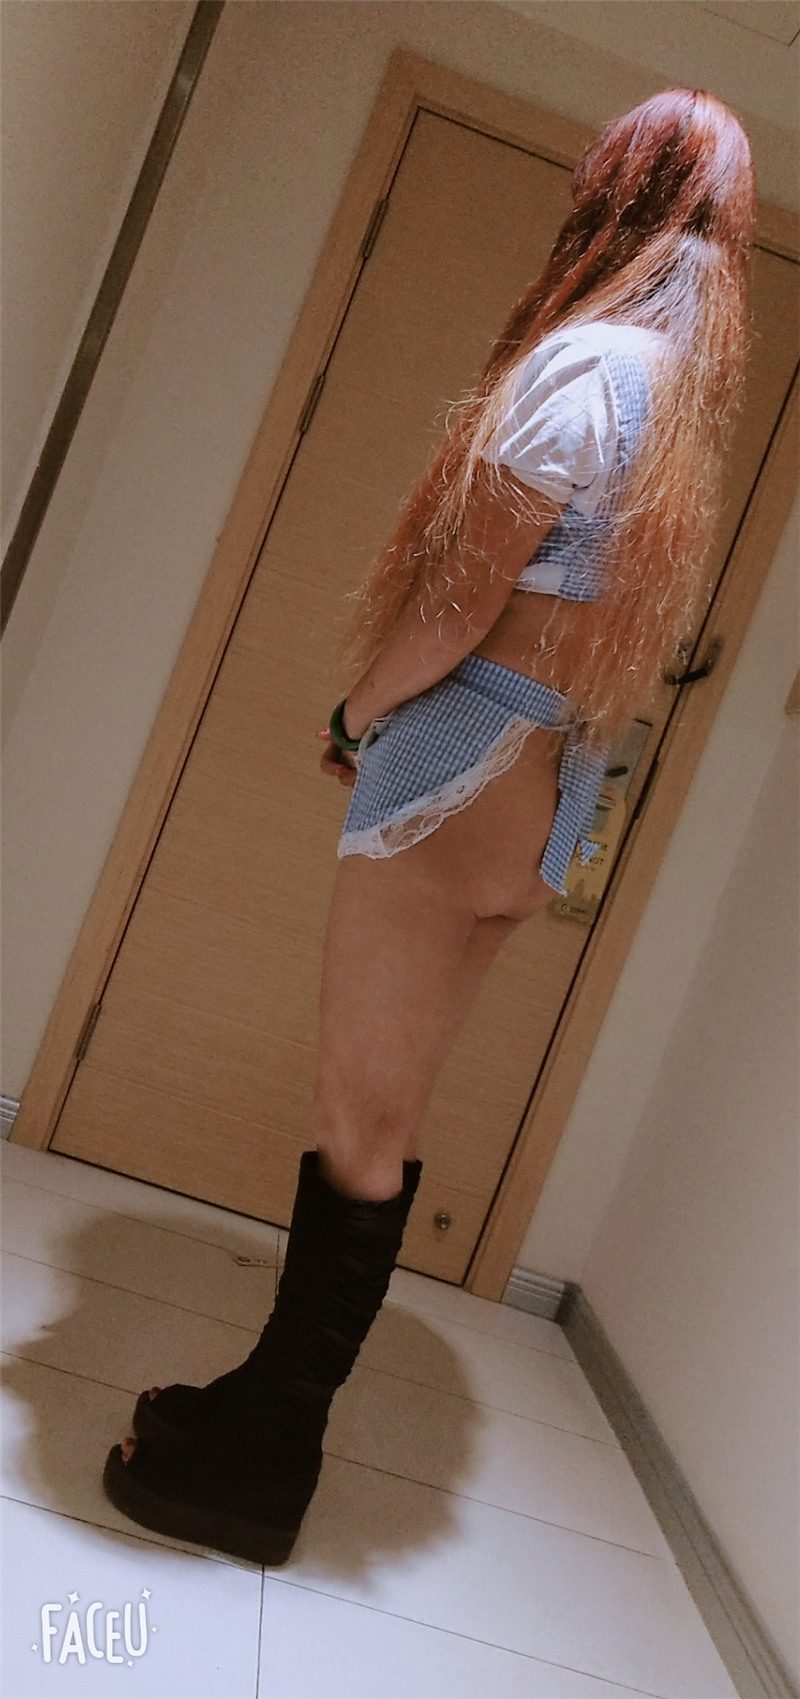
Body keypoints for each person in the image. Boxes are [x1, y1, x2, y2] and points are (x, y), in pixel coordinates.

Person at [103, 87, 755, 1563]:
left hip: (466, 763)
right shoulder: (680, 399)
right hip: (547, 800)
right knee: (386, 1125)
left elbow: (462, 606)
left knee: (358, 1120)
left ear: (614, 195)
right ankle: (271, 1412)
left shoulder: (589, 363)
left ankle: (264, 1460)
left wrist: (356, 714)